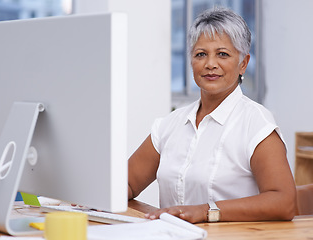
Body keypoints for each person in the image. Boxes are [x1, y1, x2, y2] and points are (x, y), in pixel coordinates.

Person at [127, 7, 296, 223]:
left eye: (222, 54)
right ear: (191, 61)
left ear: (243, 63)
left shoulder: (256, 124)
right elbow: (128, 183)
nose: (210, 64)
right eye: (201, 54)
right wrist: (91, 196)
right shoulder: (170, 124)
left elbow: (284, 202)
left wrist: (207, 211)